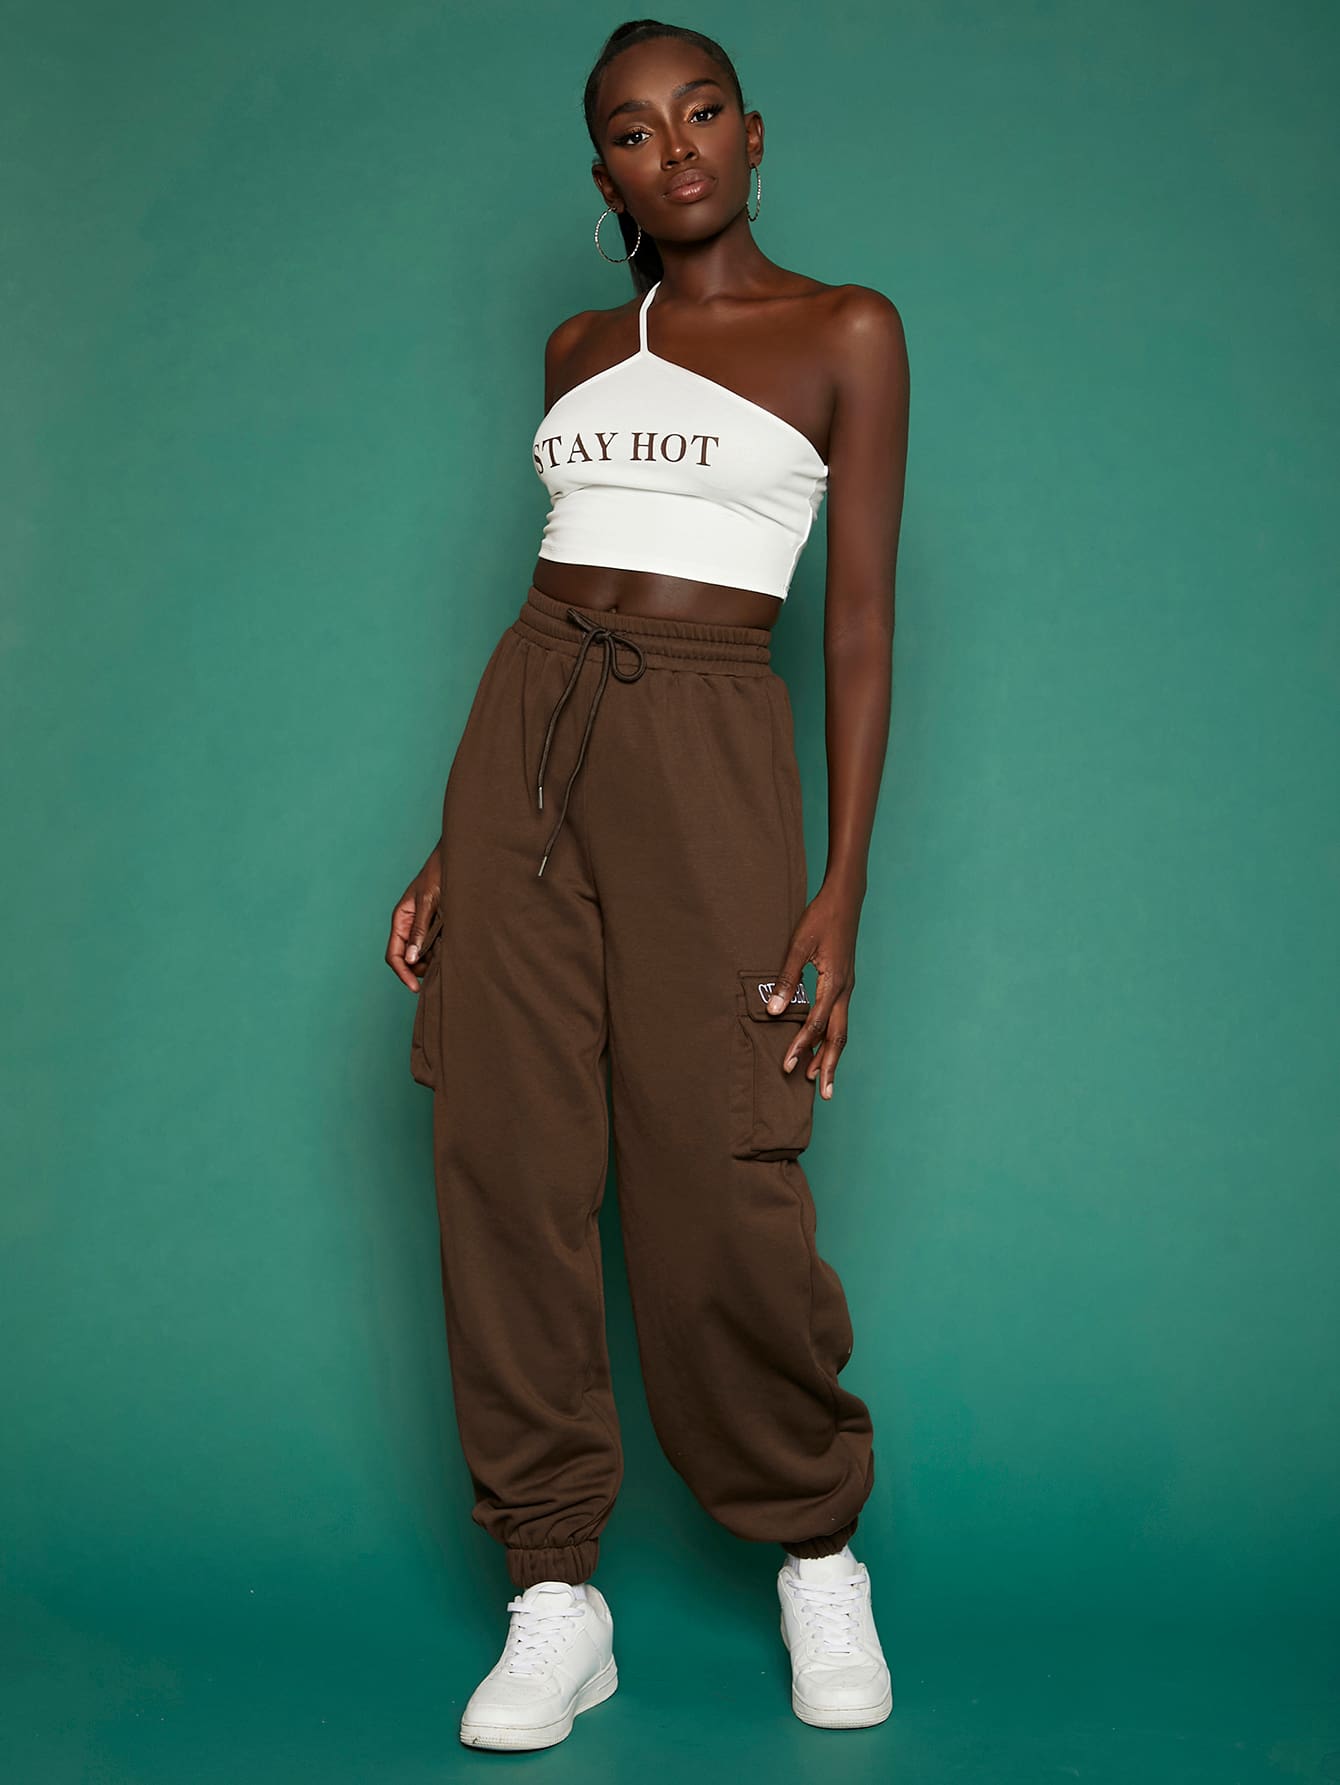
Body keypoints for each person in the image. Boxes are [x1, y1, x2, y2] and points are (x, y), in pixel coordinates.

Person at [385, 18, 909, 1751]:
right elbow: (557, 586)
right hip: (525, 740)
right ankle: (555, 1589)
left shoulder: (846, 331)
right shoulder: (576, 348)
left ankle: (815, 1545)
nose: (672, 147)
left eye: (699, 114)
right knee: (505, 1157)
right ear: (604, 173)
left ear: (755, 137)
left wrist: (840, 885)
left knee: (721, 1168)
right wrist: (460, 840)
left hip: (709, 743)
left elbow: (858, 620)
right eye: (631, 129)